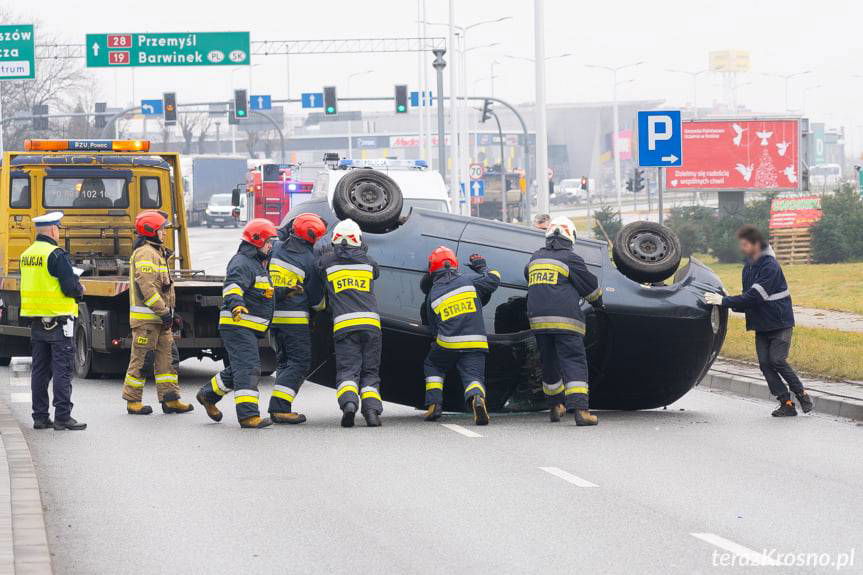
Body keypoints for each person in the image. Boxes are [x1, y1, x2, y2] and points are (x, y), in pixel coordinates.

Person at [704, 225, 812, 417]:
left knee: (777, 360)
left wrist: (725, 301)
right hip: (761, 324)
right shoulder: (749, 267)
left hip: (779, 322)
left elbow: (755, 296)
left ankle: (801, 393)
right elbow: (748, 298)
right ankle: (786, 403)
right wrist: (727, 301)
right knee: (764, 363)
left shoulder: (769, 265)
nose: (743, 248)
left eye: (746, 244)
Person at [196, 219, 277, 428]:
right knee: (249, 368)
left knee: (239, 368)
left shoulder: (257, 265)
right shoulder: (242, 263)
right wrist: (236, 305)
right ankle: (248, 416)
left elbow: (261, 294)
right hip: (238, 324)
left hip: (246, 327)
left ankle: (208, 395)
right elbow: (233, 287)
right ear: (257, 241)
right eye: (268, 241)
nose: (271, 245)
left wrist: (285, 291)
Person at [525, 215, 603, 426]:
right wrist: (599, 304)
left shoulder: (535, 258)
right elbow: (591, 289)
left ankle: (555, 405)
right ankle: (581, 410)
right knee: (573, 361)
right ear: (570, 236)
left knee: (549, 362)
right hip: (566, 322)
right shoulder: (570, 259)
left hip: (538, 322)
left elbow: (528, 278)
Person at [19, 212, 87, 430]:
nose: (58, 232)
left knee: (39, 370)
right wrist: (80, 289)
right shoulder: (56, 254)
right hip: (59, 320)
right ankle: (63, 416)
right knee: (62, 368)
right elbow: (69, 287)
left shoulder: (27, 254)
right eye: (58, 228)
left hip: (37, 320)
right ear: (52, 231)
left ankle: (40, 417)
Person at [122, 210, 193, 415]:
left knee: (167, 360)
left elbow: (163, 289)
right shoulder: (146, 253)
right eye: (161, 229)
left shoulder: (157, 252)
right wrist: (163, 312)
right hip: (147, 321)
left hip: (159, 319)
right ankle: (133, 401)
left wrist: (170, 313)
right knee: (141, 360)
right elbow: (148, 288)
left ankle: (170, 399)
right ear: (151, 231)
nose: (164, 233)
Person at [421, 246, 500, 425]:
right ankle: (476, 398)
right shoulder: (470, 282)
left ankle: (434, 404)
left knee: (433, 364)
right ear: (455, 264)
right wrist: (481, 266)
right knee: (473, 377)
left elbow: (433, 327)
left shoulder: (433, 293)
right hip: (475, 342)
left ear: (432, 268)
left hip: (448, 343)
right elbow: (495, 277)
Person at [316, 219, 383, 428]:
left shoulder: (327, 263)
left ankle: (349, 406)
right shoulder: (368, 263)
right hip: (371, 325)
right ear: (359, 241)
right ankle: (372, 412)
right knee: (370, 372)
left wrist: (328, 251)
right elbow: (376, 271)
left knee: (348, 371)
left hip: (344, 326)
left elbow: (317, 266)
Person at [267, 213, 327, 424]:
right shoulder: (310, 261)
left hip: (272, 318)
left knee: (284, 362)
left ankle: (279, 405)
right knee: (300, 362)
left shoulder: (275, 248)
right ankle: (280, 408)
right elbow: (317, 302)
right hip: (294, 321)